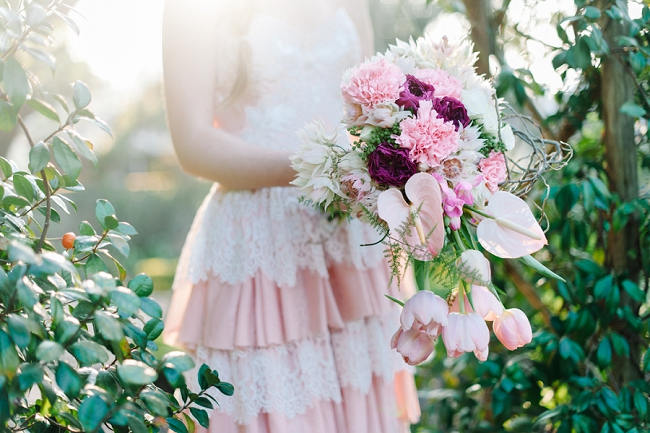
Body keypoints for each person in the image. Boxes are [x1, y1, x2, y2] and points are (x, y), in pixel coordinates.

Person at [161, 0, 420, 431]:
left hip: (350, 246)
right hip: (260, 250)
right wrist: (318, 169)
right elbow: (192, 144)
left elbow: (369, 116)